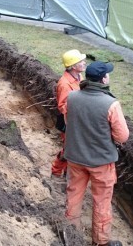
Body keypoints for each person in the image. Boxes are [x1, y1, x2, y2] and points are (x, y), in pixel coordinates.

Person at [64, 61, 130, 246]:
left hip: (75, 157)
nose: (109, 76)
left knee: (74, 194)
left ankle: (71, 236)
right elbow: (122, 136)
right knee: (101, 201)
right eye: (108, 74)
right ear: (103, 79)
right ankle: (101, 241)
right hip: (101, 162)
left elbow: (69, 121)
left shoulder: (72, 97)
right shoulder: (110, 104)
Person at [51, 49, 86, 178]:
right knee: (68, 150)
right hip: (69, 122)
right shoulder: (65, 84)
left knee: (74, 149)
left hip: (77, 120)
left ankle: (67, 173)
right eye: (81, 61)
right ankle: (56, 171)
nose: (84, 62)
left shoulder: (79, 77)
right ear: (73, 66)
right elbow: (62, 107)